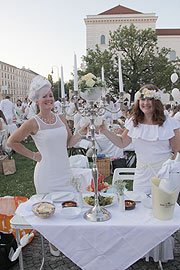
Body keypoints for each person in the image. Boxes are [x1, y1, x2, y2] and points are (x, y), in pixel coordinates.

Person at [7, 75, 88, 256]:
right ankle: (54, 242)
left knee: (69, 207)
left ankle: (69, 240)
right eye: (44, 96)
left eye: (50, 95)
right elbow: (12, 141)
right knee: (50, 211)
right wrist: (34, 155)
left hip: (65, 172)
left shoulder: (61, 118)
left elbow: (68, 142)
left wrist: (81, 133)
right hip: (46, 174)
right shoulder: (33, 123)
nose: (49, 99)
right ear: (36, 100)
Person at [98, 84, 180, 261]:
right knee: (141, 210)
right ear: (138, 101)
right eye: (142, 99)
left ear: (156, 101)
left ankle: (160, 254)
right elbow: (121, 143)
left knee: (161, 213)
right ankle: (143, 250)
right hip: (142, 173)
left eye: (150, 99)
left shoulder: (170, 122)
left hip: (164, 172)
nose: (146, 103)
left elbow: (177, 151)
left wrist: (170, 172)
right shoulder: (133, 121)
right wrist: (104, 131)